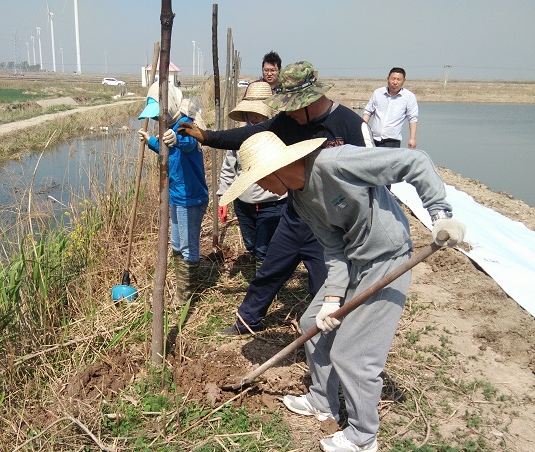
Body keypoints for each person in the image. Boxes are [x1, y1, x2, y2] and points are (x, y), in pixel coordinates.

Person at [218, 131, 466, 452]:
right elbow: (333, 248)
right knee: (312, 322)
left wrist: (440, 215)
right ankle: (323, 400)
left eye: (259, 180)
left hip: (387, 259)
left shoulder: (336, 164)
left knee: (353, 354)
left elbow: (414, 162)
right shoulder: (299, 199)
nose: (261, 189)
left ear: (276, 169)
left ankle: (363, 435)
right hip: (352, 262)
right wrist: (332, 300)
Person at [178, 61, 373, 335]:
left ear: (309, 100)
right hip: (296, 215)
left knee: (326, 284)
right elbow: (251, 134)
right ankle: (247, 321)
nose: (287, 112)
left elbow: (373, 180)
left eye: (292, 106)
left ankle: (329, 334)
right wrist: (208, 136)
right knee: (269, 271)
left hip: (332, 225)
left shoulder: (350, 126)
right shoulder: (289, 120)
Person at [138, 82, 208, 304]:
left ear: (168, 106)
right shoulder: (167, 126)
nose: (157, 119)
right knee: (177, 243)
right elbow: (166, 149)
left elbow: (188, 142)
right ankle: (182, 288)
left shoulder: (185, 123)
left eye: (158, 114)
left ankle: (186, 295)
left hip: (191, 197)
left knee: (187, 246)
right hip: (176, 195)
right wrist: (151, 141)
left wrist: (177, 139)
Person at [217, 81, 284, 269]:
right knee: (251, 245)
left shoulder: (279, 136)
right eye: (251, 111)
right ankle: (265, 271)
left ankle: (264, 282)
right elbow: (229, 167)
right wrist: (224, 197)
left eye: (258, 112)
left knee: (263, 249)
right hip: (243, 202)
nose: (254, 116)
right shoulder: (240, 136)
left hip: (272, 202)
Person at [362, 67, 419, 148]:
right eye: (393, 79)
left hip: (392, 142)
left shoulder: (409, 97)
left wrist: (412, 138)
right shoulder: (378, 93)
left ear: (403, 81)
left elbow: (412, 119)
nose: (395, 82)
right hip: (373, 139)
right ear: (388, 79)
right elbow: (368, 112)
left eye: (398, 79)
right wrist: (361, 130)